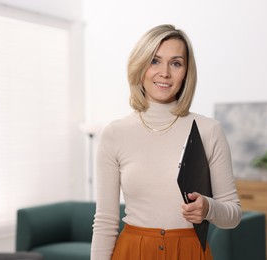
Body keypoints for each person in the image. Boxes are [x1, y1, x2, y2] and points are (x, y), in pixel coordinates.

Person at [91, 24, 241, 260]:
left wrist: (208, 208)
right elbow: (105, 221)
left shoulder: (209, 130)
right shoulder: (115, 133)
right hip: (132, 252)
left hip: (191, 252)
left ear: (186, 71)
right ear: (140, 66)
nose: (165, 73)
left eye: (176, 63)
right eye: (154, 61)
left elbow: (233, 215)